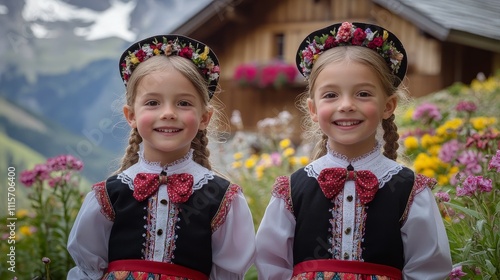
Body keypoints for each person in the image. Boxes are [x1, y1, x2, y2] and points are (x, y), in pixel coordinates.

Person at [255, 21, 452, 279]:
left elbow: (429, 268)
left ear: (388, 105)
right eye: (331, 95)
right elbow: (272, 264)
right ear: (313, 109)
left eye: (362, 94)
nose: (346, 105)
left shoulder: (410, 190)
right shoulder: (292, 190)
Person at [67, 34, 256, 280]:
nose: (168, 113)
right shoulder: (108, 195)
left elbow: (228, 274)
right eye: (153, 102)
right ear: (131, 115)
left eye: (184, 103)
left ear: (204, 118)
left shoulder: (222, 198)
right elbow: (87, 269)